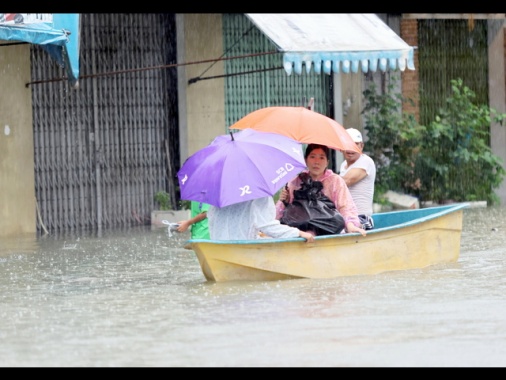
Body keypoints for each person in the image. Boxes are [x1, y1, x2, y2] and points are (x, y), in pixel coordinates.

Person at [276, 143, 367, 236]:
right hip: (299, 233)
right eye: (312, 157)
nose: (316, 162)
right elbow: (281, 215)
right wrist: (285, 202)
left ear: (327, 162)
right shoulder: (295, 181)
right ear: (305, 160)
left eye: (321, 158)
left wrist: (351, 225)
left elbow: (345, 206)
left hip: (328, 233)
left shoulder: (335, 181)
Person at [207, 196, 315, 242]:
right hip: (243, 248)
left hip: (217, 244)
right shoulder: (259, 191)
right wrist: (298, 233)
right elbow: (268, 226)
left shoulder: (219, 192)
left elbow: (211, 220)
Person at [339, 128, 376, 230]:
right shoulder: (343, 165)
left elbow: (345, 181)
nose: (351, 149)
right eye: (347, 145)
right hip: (345, 217)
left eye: (355, 144)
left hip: (362, 218)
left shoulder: (365, 161)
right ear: (341, 147)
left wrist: (322, 178)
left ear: (361, 146)